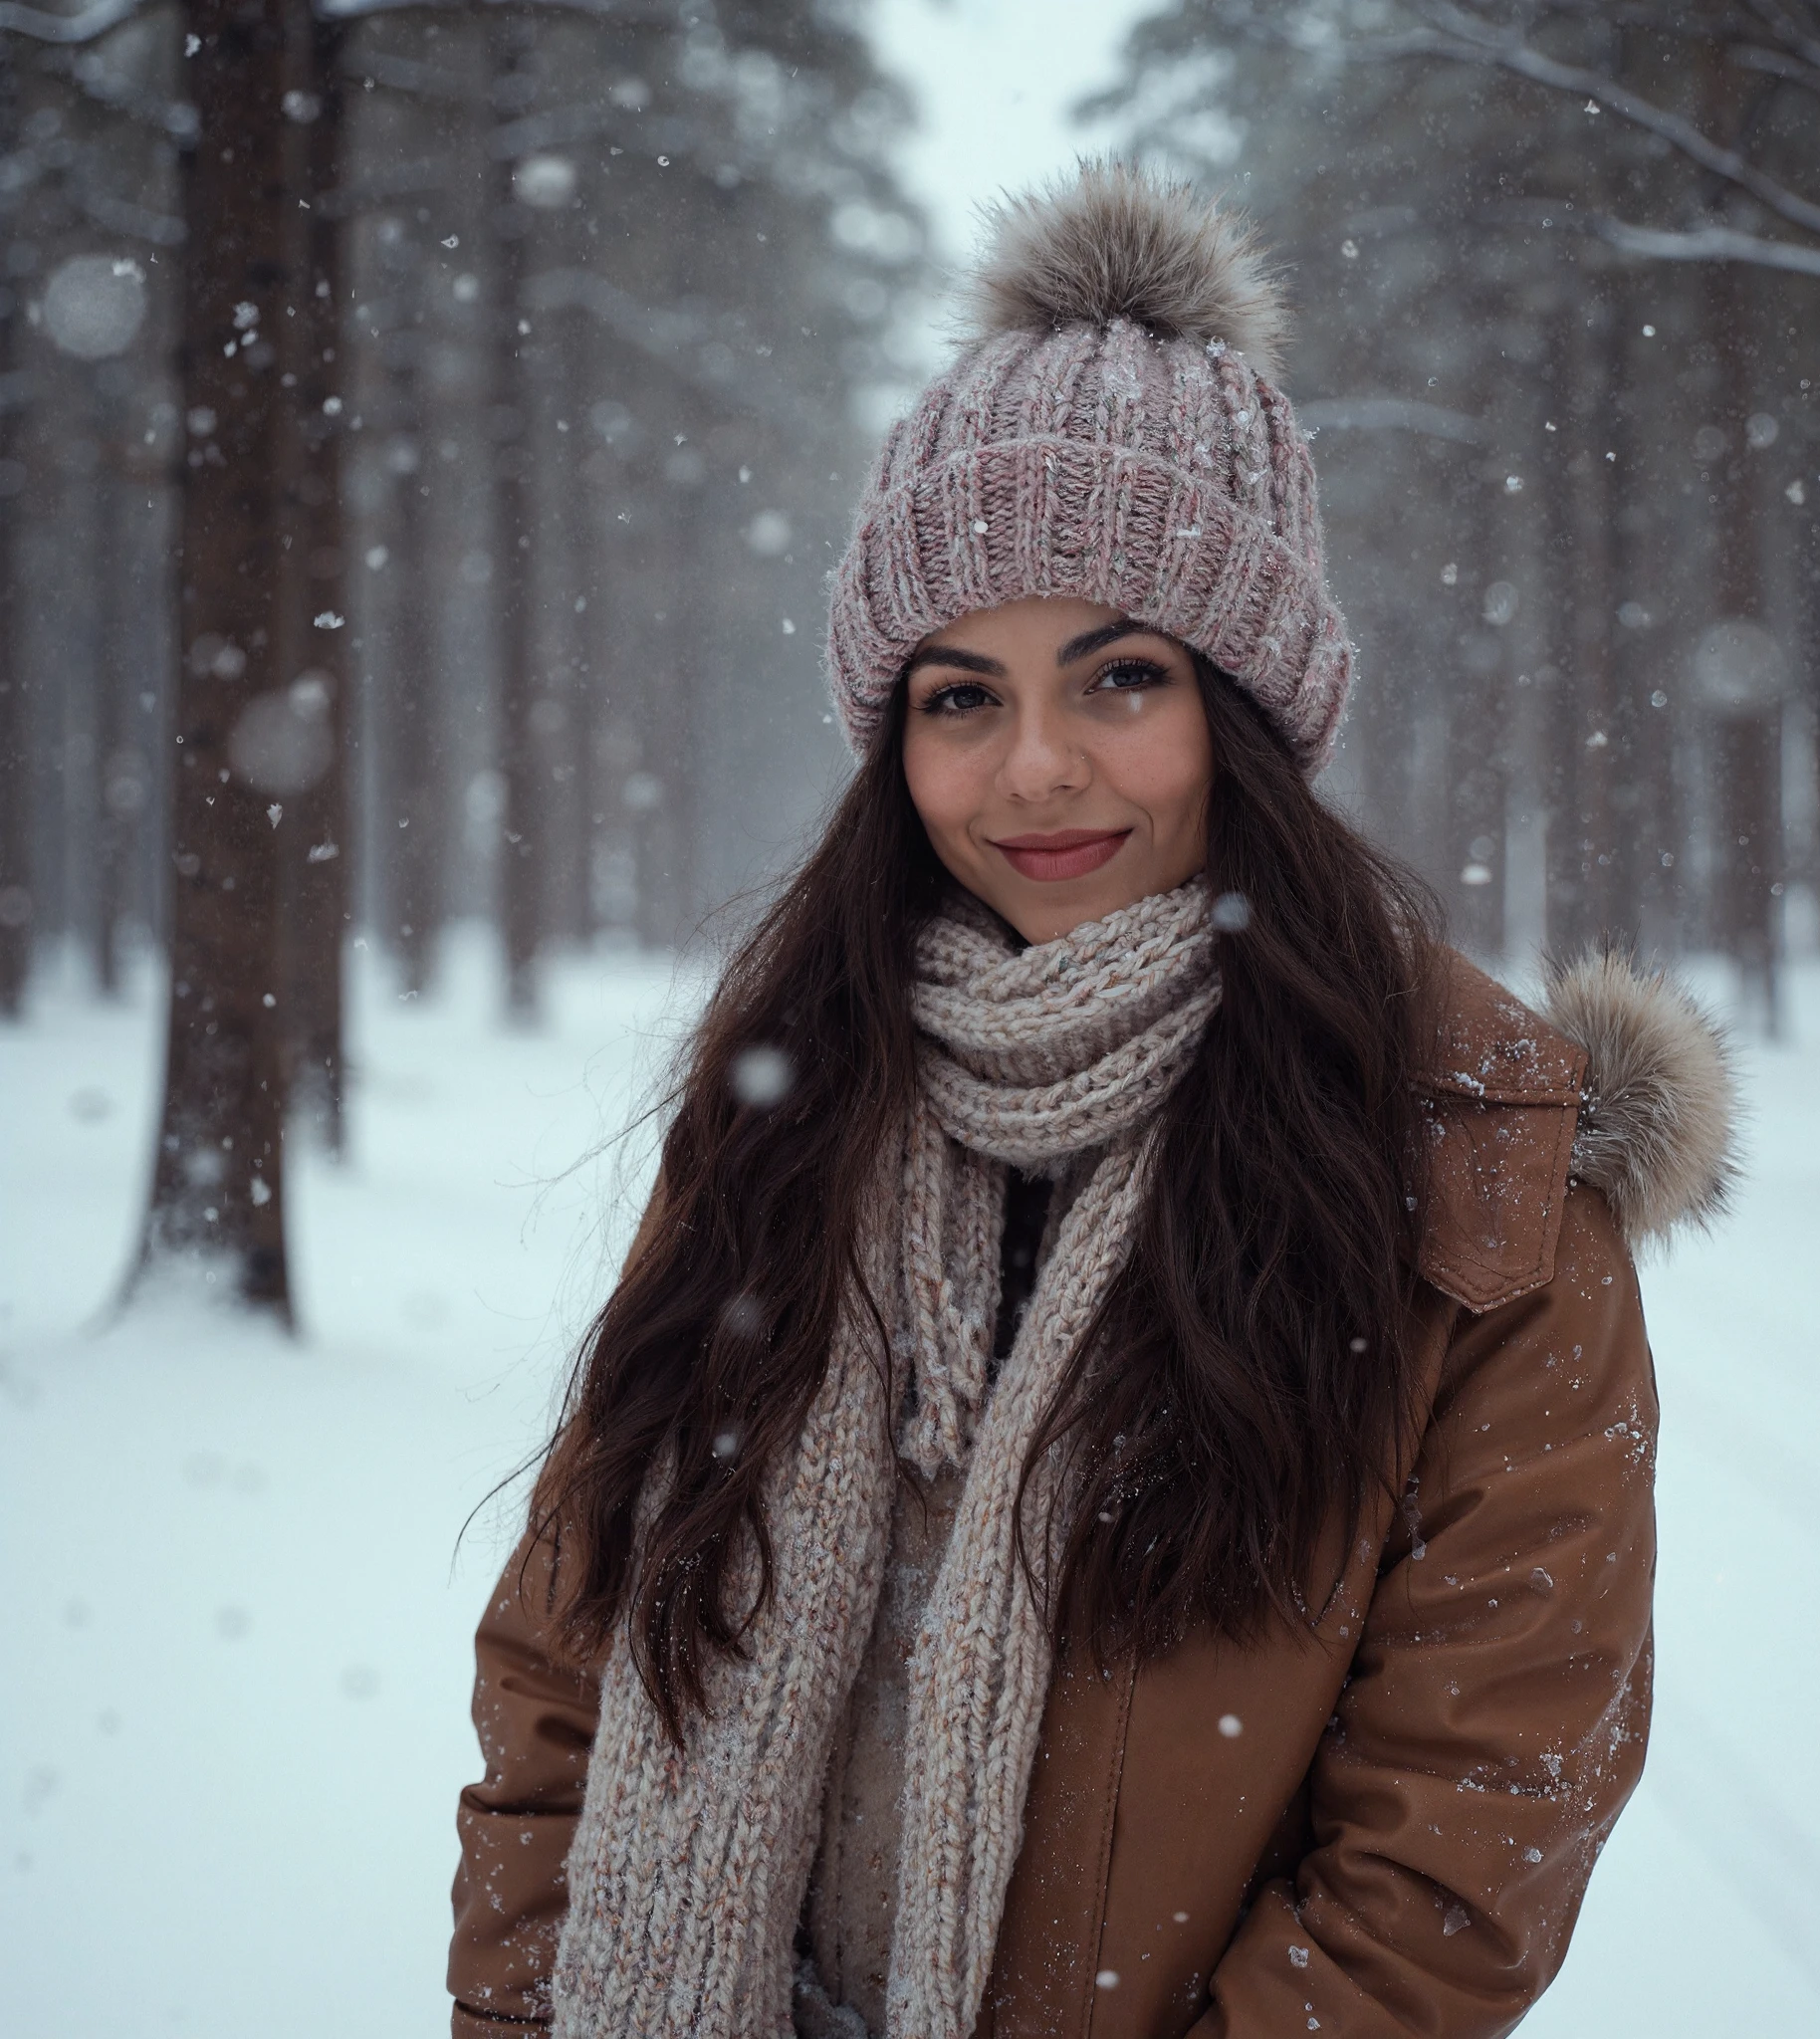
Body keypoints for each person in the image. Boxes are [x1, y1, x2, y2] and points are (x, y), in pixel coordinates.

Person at [448, 161, 1737, 2039]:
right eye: (958, 698)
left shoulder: (1473, 1170)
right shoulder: (790, 1101)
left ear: (1246, 704)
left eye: (1118, 676)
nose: (1033, 769)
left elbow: (1465, 1839)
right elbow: (574, 1653)